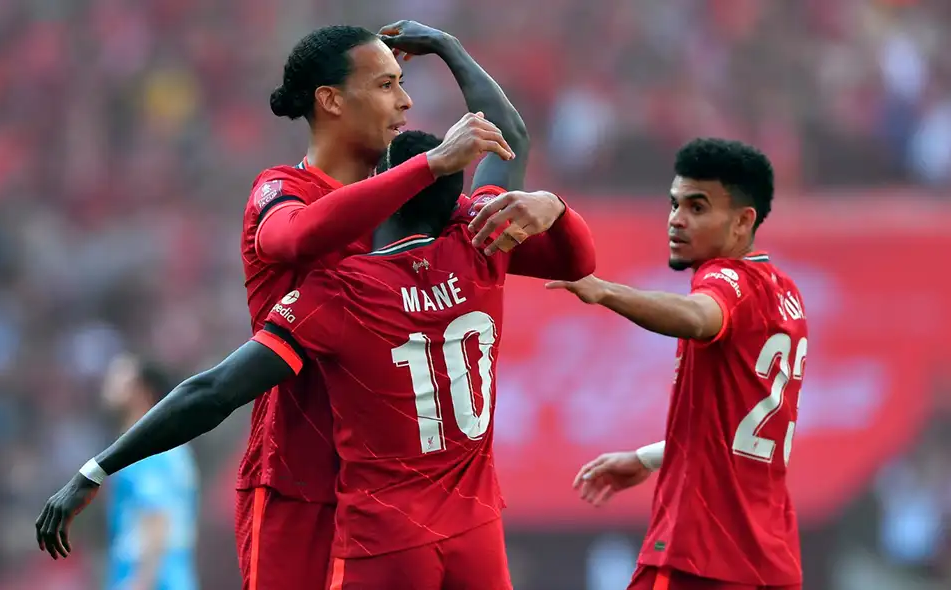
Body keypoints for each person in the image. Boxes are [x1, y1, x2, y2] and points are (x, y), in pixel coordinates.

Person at [34, 126, 595, 590]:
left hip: (387, 539)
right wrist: (554, 206)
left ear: (383, 183)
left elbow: (215, 393)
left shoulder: (343, 290)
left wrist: (95, 468)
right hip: (477, 530)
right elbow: (515, 146)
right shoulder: (481, 250)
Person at [233, 20, 590, 589]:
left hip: (381, 494)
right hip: (296, 480)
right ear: (330, 100)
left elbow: (508, 141)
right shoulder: (281, 190)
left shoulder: (421, 213)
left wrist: (449, 47)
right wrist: (428, 166)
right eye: (384, 85)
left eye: (402, 81)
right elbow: (293, 239)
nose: (405, 100)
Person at [549, 138, 807, 590]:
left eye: (697, 207)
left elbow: (698, 317)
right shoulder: (785, 293)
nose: (676, 219)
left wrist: (605, 291)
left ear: (743, 221)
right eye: (674, 204)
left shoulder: (725, 278)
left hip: (703, 554)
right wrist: (647, 458)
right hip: (770, 561)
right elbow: (734, 433)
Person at [99, 355, 199, 590]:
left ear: (141, 391)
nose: (108, 383)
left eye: (119, 376)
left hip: (152, 579)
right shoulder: (169, 445)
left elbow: (158, 516)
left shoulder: (146, 448)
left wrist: (141, 582)